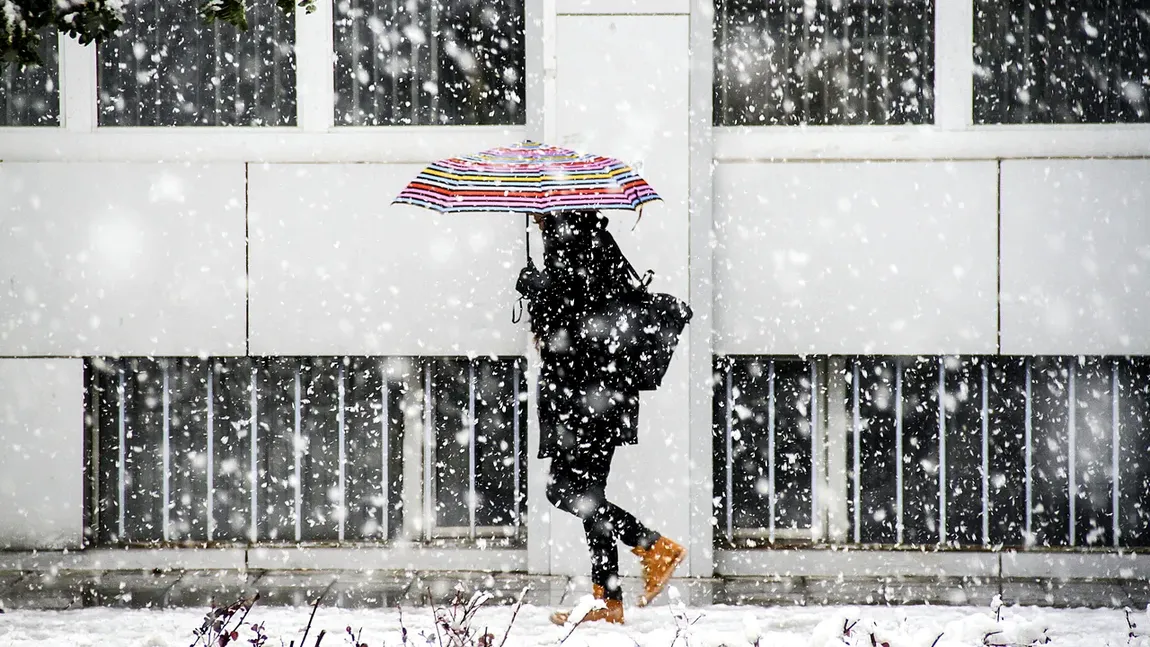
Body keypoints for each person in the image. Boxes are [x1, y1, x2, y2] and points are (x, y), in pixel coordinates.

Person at [516, 210, 685, 626]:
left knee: (566, 489)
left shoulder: (572, 242)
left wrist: (538, 291)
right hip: (597, 392)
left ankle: (652, 547)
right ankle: (609, 599)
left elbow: (578, 323)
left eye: (538, 211)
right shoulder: (587, 239)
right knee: (587, 493)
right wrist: (542, 290)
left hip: (588, 395)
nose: (533, 216)